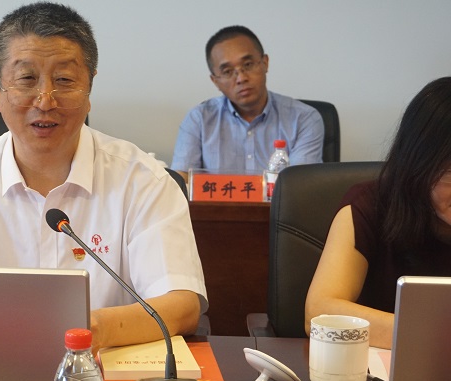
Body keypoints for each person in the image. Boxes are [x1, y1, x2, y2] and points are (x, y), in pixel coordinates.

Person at [0, 2, 207, 352]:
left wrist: (91, 329)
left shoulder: (143, 181)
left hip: (96, 376)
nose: (45, 101)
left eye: (64, 80)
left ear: (89, 89)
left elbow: (182, 305)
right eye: (27, 79)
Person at [305, 77, 451, 349]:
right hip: (377, 368)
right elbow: (319, 312)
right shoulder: (369, 206)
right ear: (418, 165)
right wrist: (431, 336)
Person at [171, 25, 324, 181]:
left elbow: (299, 185)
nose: (241, 78)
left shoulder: (304, 119)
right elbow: (181, 182)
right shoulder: (198, 120)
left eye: (248, 65)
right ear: (215, 81)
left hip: (280, 199)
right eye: (227, 72)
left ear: (265, 63)